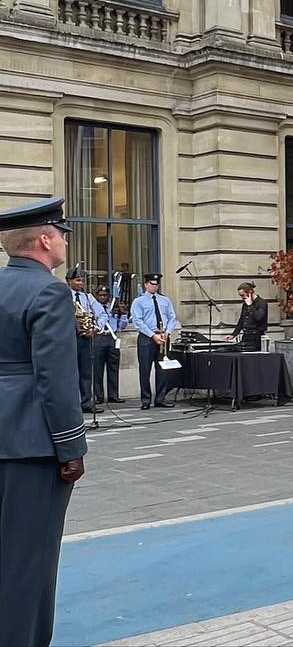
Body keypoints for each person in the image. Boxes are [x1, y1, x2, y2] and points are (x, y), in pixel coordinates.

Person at [0, 197, 88, 647]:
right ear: (45, 239)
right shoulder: (50, 291)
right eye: (63, 233)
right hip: (32, 444)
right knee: (28, 560)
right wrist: (71, 449)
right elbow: (55, 379)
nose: (66, 241)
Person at [131, 272, 179, 409]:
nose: (155, 286)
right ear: (146, 285)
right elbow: (138, 322)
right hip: (147, 338)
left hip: (163, 336)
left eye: (157, 284)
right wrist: (152, 335)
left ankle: (161, 398)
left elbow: (172, 318)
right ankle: (146, 400)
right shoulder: (139, 301)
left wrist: (168, 333)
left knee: (163, 369)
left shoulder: (165, 300)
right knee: (145, 369)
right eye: (152, 284)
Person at [64, 267, 106, 413]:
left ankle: (87, 402)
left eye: (82, 280)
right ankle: (72, 403)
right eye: (77, 280)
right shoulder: (64, 297)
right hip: (69, 339)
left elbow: (102, 314)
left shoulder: (88, 298)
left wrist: (95, 328)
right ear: (69, 281)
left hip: (86, 338)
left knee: (87, 372)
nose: (81, 283)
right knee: (71, 372)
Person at [91, 285, 127, 404]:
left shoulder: (113, 308)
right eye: (100, 295)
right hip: (99, 337)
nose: (103, 297)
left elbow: (122, 326)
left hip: (112, 338)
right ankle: (98, 396)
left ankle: (113, 395)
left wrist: (123, 314)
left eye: (105, 295)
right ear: (96, 296)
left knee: (113, 368)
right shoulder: (93, 309)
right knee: (97, 368)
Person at [231, 282, 269, 349]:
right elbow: (242, 320)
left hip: (256, 336)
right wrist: (234, 334)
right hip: (246, 335)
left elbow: (259, 317)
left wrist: (250, 306)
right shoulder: (245, 304)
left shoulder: (262, 303)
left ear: (250, 293)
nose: (242, 298)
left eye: (243, 295)